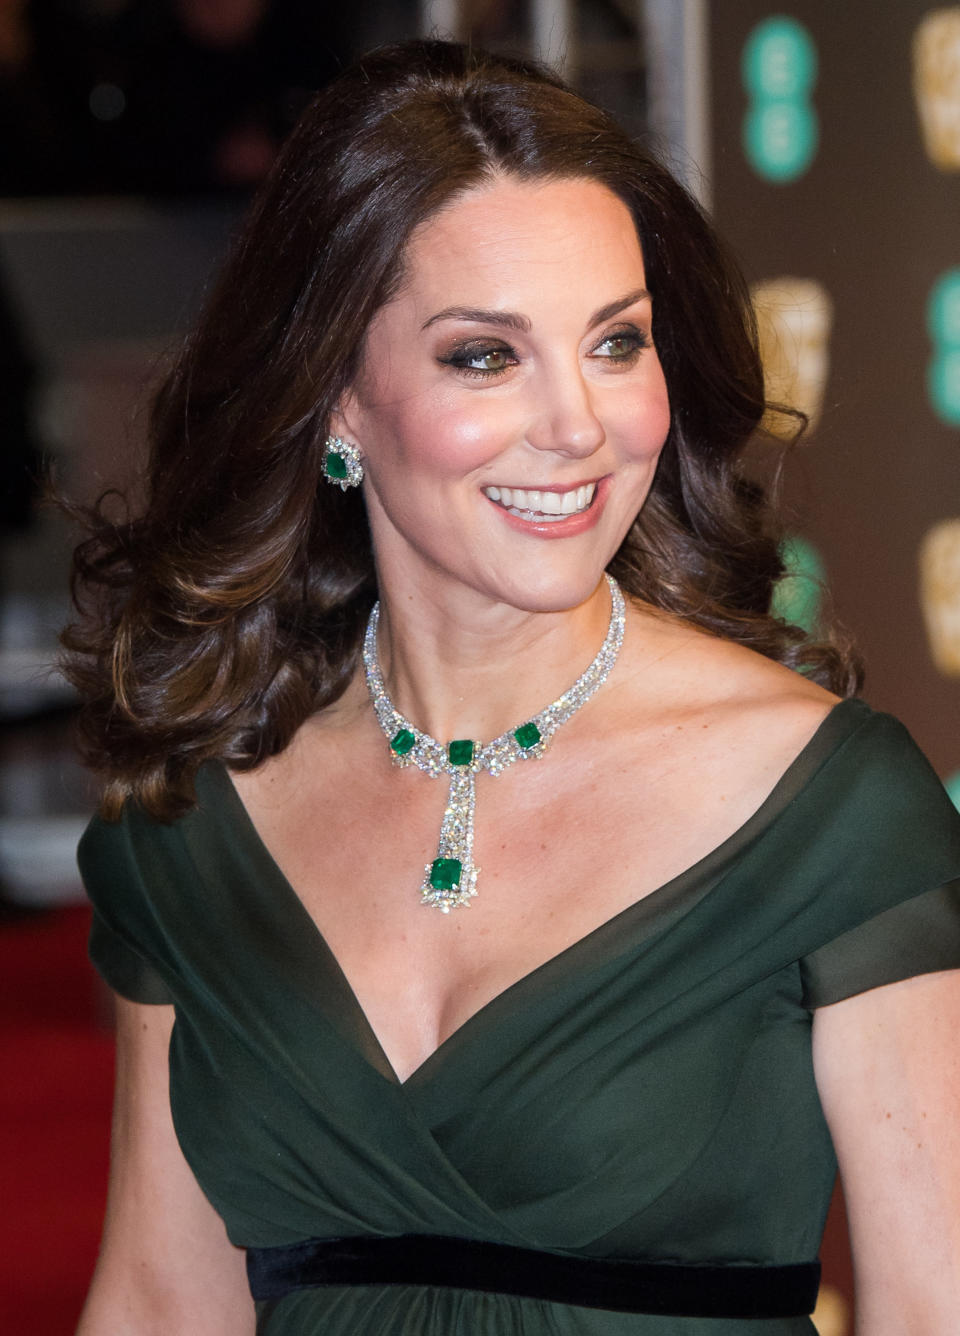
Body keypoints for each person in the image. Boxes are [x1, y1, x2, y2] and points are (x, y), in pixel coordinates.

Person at [66, 39, 960, 1336]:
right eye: (485, 356)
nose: (578, 426)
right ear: (337, 402)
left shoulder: (824, 804)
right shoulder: (197, 814)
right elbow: (158, 1298)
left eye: (616, 343)